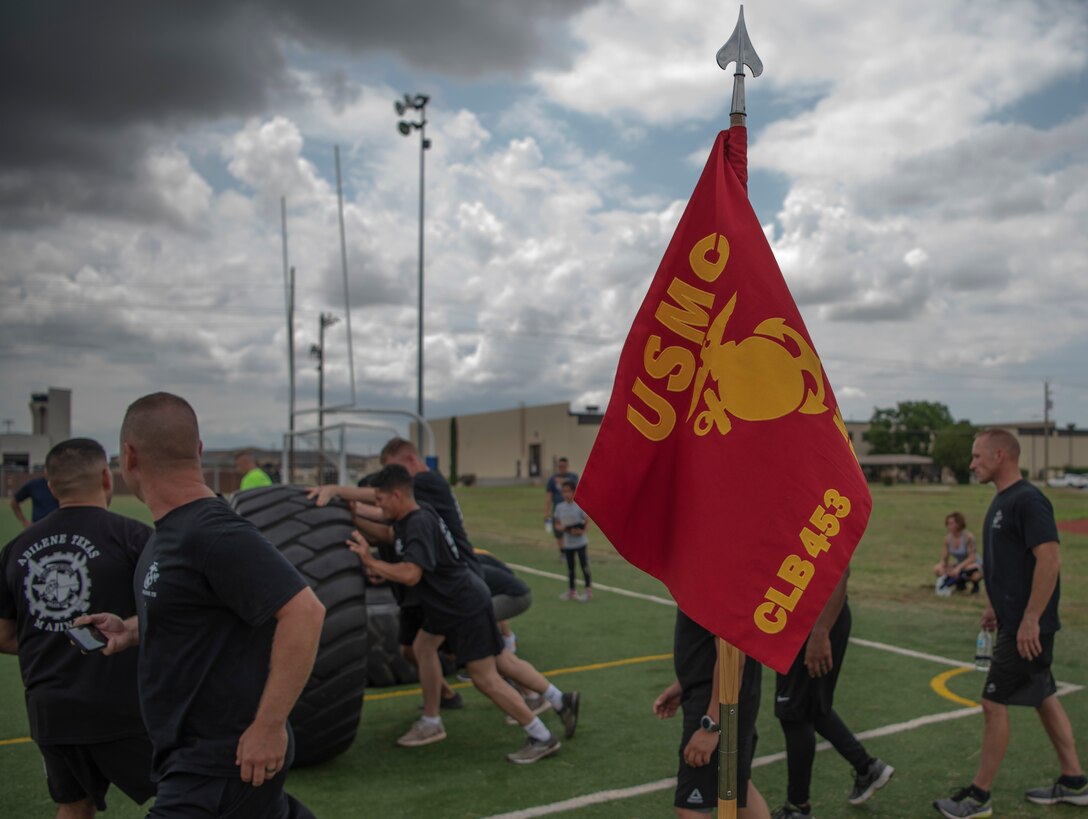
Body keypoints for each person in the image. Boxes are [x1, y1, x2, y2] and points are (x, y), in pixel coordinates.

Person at [77, 392, 325, 819]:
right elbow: (196, 613)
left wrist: (268, 727)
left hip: (219, 764)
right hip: (190, 758)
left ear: (129, 457)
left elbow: (305, 612)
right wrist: (130, 630)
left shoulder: (212, 531)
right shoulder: (168, 532)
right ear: (199, 450)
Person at [350, 464, 580, 763]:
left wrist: (371, 562)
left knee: (484, 677)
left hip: (461, 605)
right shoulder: (412, 517)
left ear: (396, 495)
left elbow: (410, 574)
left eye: (379, 501)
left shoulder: (417, 523)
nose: (377, 508)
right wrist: (354, 515)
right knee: (428, 648)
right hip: (451, 603)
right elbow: (386, 532)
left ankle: (541, 736)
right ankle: (560, 700)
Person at [933, 429, 1088, 818]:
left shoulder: (1028, 500)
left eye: (977, 456)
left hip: (1026, 629)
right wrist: (994, 607)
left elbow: (1050, 560)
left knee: (993, 702)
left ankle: (979, 797)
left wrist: (1030, 619)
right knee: (1044, 696)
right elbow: (1009, 566)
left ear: (1000, 455)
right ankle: (1074, 782)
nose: (972, 464)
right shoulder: (1002, 500)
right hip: (1014, 622)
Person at [0, 438, 155, 818]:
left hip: (52, 711)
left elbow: (3, 635)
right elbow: (173, 613)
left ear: (51, 487)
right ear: (106, 478)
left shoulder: (15, 549)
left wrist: (56, 640)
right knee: (183, 791)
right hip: (125, 707)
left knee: (73, 806)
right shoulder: (135, 538)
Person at [772, 570, 893, 818]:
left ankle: (798, 807)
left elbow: (840, 570)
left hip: (815, 621)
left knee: (794, 712)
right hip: (802, 617)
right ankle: (866, 767)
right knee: (810, 705)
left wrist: (820, 631)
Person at [653, 609, 770, 818]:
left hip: (716, 704)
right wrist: (684, 683)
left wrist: (712, 725)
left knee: (691, 808)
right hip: (727, 697)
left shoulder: (718, 587)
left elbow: (732, 655)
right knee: (739, 790)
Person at [553, 480, 592, 601]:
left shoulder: (579, 506)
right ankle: (572, 591)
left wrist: (581, 531)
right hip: (568, 543)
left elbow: (587, 523)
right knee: (570, 568)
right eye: (564, 491)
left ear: (574, 492)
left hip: (580, 543)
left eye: (568, 491)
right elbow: (557, 524)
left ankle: (588, 591)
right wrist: (562, 528)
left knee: (584, 566)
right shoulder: (560, 507)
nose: (566, 494)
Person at [933, 511, 981, 595]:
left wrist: (958, 567)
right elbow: (944, 558)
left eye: (951, 523)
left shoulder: (968, 537)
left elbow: (972, 558)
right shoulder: (948, 539)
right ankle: (957, 583)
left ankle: (971, 584)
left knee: (968, 571)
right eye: (948, 523)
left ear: (959, 524)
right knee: (937, 568)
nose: (949, 526)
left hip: (972, 564)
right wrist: (942, 567)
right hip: (959, 563)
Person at [544, 457, 578, 549]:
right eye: (559, 466)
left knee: (570, 530)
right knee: (558, 533)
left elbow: (575, 488)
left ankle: (571, 550)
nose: (561, 468)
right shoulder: (552, 479)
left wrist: (563, 481)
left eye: (563, 466)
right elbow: (549, 495)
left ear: (567, 466)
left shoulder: (573, 476)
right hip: (558, 510)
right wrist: (546, 512)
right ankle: (563, 552)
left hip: (570, 510)